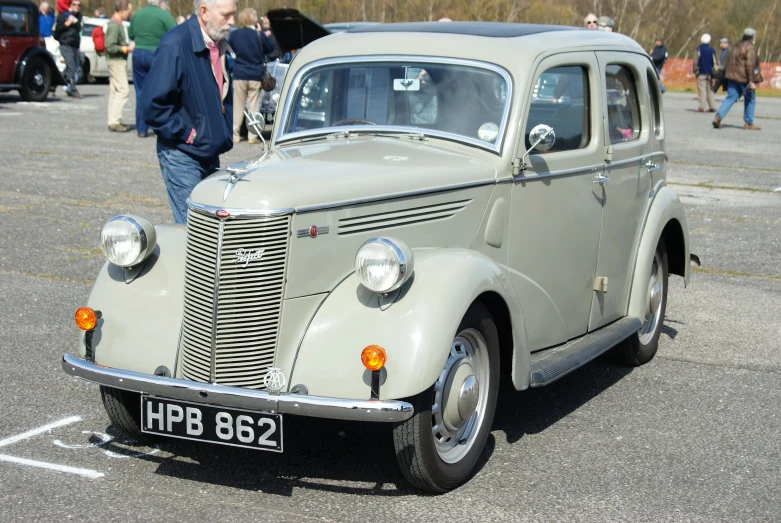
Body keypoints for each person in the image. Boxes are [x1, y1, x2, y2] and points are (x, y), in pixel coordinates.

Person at [141, 0, 237, 224]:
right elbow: (152, 105)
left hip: (209, 152)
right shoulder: (176, 43)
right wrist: (188, 133)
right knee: (194, 231)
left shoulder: (220, 44)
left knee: (213, 229)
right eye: (226, 15)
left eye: (233, 14)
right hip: (182, 154)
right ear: (203, 12)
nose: (232, 21)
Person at [128, 0, 176, 137]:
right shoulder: (164, 15)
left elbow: (131, 35)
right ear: (161, 2)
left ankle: (141, 129)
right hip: (155, 54)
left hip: (138, 53)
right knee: (159, 91)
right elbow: (175, 33)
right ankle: (159, 126)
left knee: (140, 91)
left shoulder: (137, 14)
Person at [229, 8, 275, 144]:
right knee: (253, 106)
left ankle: (235, 134)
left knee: (238, 105)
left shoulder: (235, 35)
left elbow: (230, 49)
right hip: (255, 74)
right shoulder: (259, 35)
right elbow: (270, 48)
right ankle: (252, 136)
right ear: (254, 20)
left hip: (239, 73)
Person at [713, 28, 762, 131]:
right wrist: (751, 81)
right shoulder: (750, 48)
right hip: (744, 78)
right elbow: (750, 65)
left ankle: (718, 117)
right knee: (750, 99)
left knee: (730, 97)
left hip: (732, 76)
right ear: (752, 37)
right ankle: (748, 122)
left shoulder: (736, 45)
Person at [105, 0, 134, 131]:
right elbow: (109, 46)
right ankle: (114, 121)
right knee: (123, 90)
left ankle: (112, 120)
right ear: (122, 10)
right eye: (129, 11)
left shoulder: (115, 24)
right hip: (116, 61)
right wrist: (126, 48)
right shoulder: (115, 25)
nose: (130, 14)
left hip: (115, 60)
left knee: (115, 90)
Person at [52, 0, 83, 98]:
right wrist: (67, 23)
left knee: (71, 70)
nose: (77, 7)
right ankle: (73, 90)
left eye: (79, 5)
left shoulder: (79, 17)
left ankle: (53, 83)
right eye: (74, 4)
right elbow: (57, 30)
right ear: (69, 5)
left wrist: (78, 47)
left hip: (74, 46)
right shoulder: (63, 16)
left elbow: (78, 33)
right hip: (66, 45)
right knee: (71, 67)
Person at [694, 33, 717, 112]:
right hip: (710, 73)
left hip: (701, 72)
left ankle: (702, 107)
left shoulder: (698, 49)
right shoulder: (712, 50)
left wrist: (695, 71)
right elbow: (715, 62)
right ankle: (712, 106)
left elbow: (695, 62)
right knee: (710, 90)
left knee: (702, 90)